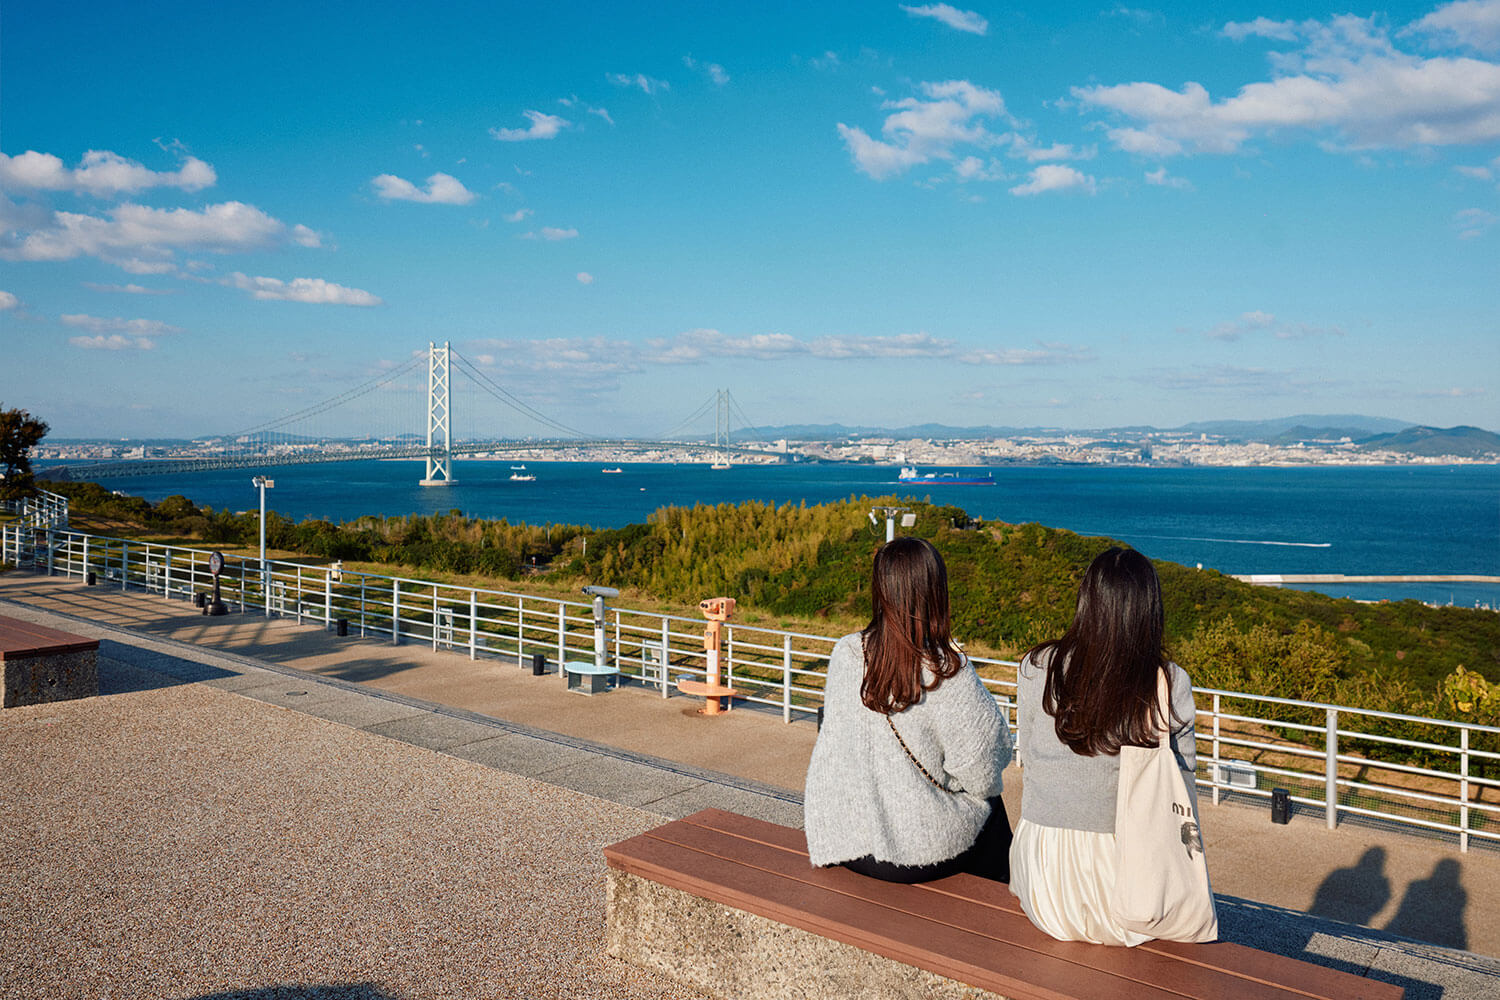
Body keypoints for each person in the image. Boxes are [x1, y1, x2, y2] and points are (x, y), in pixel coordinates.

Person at [1009, 546, 1200, 945]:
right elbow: (1184, 788)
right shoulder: (1167, 681)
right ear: (1149, 611)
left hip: (1043, 880)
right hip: (1127, 891)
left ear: (1086, 601)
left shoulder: (1036, 666)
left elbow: (1028, 750)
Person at [804, 536, 1014, 883]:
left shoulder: (846, 653)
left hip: (849, 842)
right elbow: (981, 772)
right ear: (935, 592)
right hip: (918, 854)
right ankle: (1003, 911)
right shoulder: (947, 669)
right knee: (992, 807)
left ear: (881, 590)